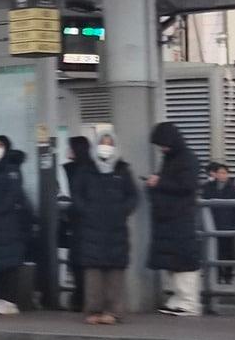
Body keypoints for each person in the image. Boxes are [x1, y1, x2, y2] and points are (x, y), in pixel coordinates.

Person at [71, 133, 138, 324]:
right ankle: (93, 310)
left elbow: (133, 196)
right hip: (91, 227)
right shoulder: (86, 170)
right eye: (102, 143)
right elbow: (77, 194)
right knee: (93, 271)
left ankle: (113, 311)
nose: (105, 147)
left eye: (109, 144)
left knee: (115, 270)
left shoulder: (122, 170)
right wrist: (86, 210)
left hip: (116, 226)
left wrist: (122, 210)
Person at [147, 122, 202, 317]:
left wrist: (159, 182)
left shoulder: (186, 159)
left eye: (163, 144)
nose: (162, 148)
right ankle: (178, 298)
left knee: (184, 260)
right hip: (171, 216)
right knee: (174, 260)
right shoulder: (174, 158)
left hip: (180, 216)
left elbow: (187, 186)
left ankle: (189, 301)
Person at [0, 135, 30, 316]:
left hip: (8, 223)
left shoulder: (11, 170)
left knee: (9, 263)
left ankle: (9, 300)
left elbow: (12, 196)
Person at [61, 135, 93, 313]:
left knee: (78, 261)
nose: (68, 151)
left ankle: (79, 298)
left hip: (79, 222)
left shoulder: (72, 170)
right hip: (83, 222)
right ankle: (82, 297)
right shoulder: (90, 168)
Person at [201, 162, 235, 285]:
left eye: (225, 173)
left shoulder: (233, 187)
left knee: (229, 251)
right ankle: (217, 275)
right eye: (220, 173)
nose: (223, 175)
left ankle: (228, 275)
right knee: (215, 251)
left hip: (229, 224)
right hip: (214, 222)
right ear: (216, 174)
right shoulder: (208, 186)